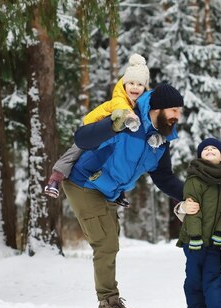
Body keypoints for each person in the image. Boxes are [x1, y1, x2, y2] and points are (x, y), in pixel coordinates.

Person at [61, 83, 186, 308]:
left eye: (179, 111)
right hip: (83, 184)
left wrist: (190, 193)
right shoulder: (126, 119)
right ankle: (107, 305)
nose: (176, 116)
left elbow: (163, 177)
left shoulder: (160, 140)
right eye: (173, 110)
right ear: (157, 109)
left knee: (111, 242)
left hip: (108, 191)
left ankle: (113, 301)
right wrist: (112, 124)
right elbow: (82, 137)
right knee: (106, 244)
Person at [44, 54, 150, 203]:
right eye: (131, 83)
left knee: (116, 157)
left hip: (111, 134)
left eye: (139, 85)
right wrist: (131, 118)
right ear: (124, 84)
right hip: (93, 127)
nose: (135, 87)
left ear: (145, 88)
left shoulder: (140, 105)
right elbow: (122, 109)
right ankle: (56, 178)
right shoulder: (119, 99)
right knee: (77, 151)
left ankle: (116, 192)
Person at [176, 138, 221, 308]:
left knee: (213, 274)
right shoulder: (195, 179)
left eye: (214, 149)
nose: (210, 150)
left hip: (213, 241)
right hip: (192, 240)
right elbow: (193, 209)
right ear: (200, 156)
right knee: (194, 275)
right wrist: (195, 235)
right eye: (205, 149)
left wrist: (219, 232)